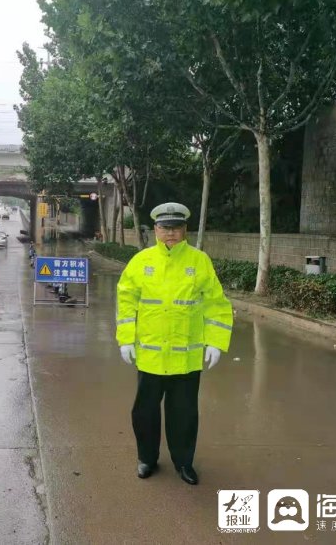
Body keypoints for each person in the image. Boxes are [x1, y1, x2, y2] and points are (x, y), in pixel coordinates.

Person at [116, 202, 233, 485]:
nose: (171, 233)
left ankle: (184, 462)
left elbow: (215, 303)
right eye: (165, 228)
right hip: (151, 356)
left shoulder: (198, 261)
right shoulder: (141, 262)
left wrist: (215, 342)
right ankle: (147, 458)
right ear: (155, 229)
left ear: (185, 230)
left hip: (186, 357)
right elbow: (126, 301)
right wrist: (126, 339)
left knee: (184, 415)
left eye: (176, 228)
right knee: (144, 413)